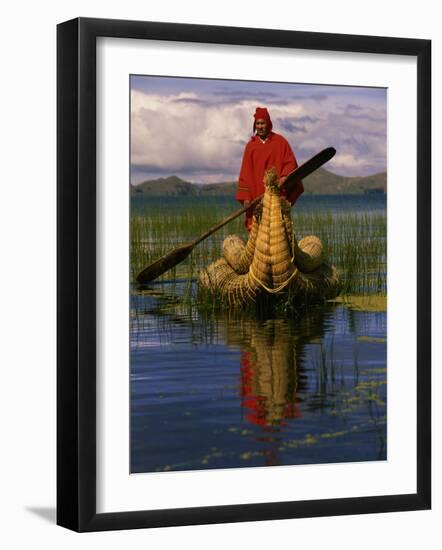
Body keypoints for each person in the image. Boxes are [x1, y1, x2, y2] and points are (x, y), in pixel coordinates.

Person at [236, 107, 304, 231]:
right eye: (258, 123)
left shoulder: (280, 142)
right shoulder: (250, 147)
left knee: (278, 234)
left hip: (276, 197)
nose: (260, 126)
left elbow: (290, 163)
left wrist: (284, 177)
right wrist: (246, 198)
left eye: (263, 123)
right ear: (254, 125)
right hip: (258, 199)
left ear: (268, 124)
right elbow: (245, 173)